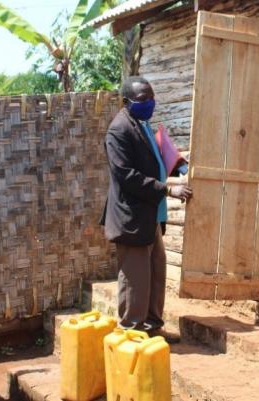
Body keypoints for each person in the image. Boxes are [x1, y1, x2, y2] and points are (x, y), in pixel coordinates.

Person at [101, 76, 192, 341]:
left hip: (150, 215)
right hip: (132, 217)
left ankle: (153, 327)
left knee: (155, 272)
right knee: (135, 278)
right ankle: (131, 331)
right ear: (126, 101)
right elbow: (125, 175)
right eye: (143, 99)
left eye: (151, 97)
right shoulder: (119, 130)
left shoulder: (142, 124)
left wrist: (177, 165)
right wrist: (166, 188)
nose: (149, 103)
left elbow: (155, 158)